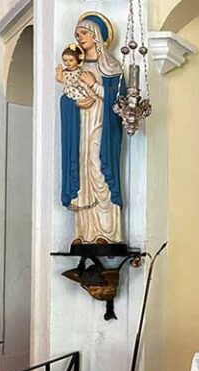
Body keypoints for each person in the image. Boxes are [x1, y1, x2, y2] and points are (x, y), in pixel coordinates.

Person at [60, 13, 124, 247]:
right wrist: (74, 102)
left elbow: (119, 101)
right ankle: (85, 233)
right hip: (80, 126)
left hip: (101, 125)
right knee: (82, 171)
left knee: (98, 168)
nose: (80, 37)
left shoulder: (111, 66)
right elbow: (65, 98)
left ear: (96, 35)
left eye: (84, 33)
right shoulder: (75, 68)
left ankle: (107, 232)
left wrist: (94, 85)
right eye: (77, 34)